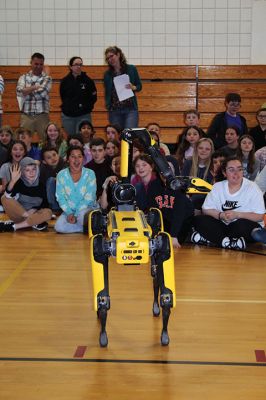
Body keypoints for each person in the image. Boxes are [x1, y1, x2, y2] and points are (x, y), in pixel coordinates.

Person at [191, 156, 265, 250]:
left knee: (241, 225)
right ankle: (226, 242)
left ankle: (211, 238)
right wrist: (220, 215)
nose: (236, 173)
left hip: (243, 227)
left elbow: (259, 216)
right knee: (199, 220)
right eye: (231, 170)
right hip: (223, 225)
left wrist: (237, 214)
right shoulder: (217, 186)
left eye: (239, 169)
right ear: (224, 173)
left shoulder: (253, 187)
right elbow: (206, 209)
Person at [133, 155, 194, 248]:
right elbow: (153, 210)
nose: (166, 172)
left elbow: (179, 213)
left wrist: (173, 236)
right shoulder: (154, 185)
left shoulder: (179, 186)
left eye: (169, 169)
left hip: (181, 223)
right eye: (163, 169)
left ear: (175, 170)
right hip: (165, 222)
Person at [0, 157, 52, 232]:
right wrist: (13, 181)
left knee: (48, 212)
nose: (31, 172)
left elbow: (45, 204)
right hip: (19, 215)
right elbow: (7, 196)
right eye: (27, 170)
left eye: (33, 169)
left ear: (37, 170)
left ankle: (14, 226)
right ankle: (34, 222)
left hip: (34, 214)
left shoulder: (41, 186)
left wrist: (34, 209)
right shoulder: (18, 183)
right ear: (22, 172)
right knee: (4, 198)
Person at [54, 146, 98, 233]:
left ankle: (83, 226)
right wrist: (69, 213)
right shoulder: (61, 175)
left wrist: (76, 214)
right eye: (73, 156)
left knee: (81, 217)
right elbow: (60, 197)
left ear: (83, 159)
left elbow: (89, 198)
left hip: (87, 209)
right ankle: (85, 229)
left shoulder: (90, 173)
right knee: (58, 227)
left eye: (79, 156)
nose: (76, 160)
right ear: (67, 159)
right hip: (69, 211)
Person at [104, 46, 142, 130]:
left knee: (129, 134)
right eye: (108, 58)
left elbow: (139, 86)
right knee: (117, 136)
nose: (110, 59)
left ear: (118, 55)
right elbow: (107, 92)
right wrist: (108, 105)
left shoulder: (131, 69)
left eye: (112, 56)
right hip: (114, 110)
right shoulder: (107, 74)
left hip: (130, 109)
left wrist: (133, 87)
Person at [16, 52, 52, 141]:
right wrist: (36, 87)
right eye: (36, 64)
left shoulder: (47, 78)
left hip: (42, 115)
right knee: (23, 141)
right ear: (31, 63)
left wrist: (27, 90)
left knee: (46, 140)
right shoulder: (23, 77)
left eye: (41, 64)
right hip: (26, 115)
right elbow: (19, 92)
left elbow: (42, 93)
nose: (38, 66)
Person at [60, 56, 97, 137]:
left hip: (83, 115)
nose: (78, 67)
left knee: (84, 138)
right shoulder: (65, 81)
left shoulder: (88, 81)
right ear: (70, 66)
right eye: (76, 64)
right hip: (68, 117)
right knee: (72, 139)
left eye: (80, 65)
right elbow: (63, 97)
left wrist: (85, 108)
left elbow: (93, 98)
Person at [40, 146, 67, 212]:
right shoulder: (43, 170)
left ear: (58, 155)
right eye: (49, 158)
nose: (53, 158)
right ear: (44, 161)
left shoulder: (65, 165)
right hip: (52, 201)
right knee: (51, 180)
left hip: (66, 198)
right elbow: (43, 187)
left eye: (54, 155)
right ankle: (55, 208)